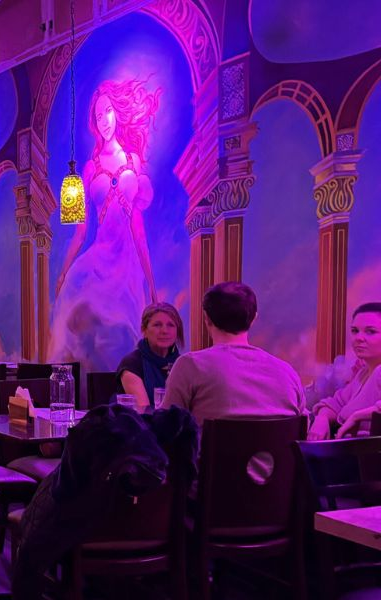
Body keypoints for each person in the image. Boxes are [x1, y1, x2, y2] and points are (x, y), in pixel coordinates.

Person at [49, 78, 162, 372]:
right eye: (98, 116)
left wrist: (151, 283)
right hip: (98, 259)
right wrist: (62, 273)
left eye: (108, 112)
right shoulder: (89, 168)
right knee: (78, 321)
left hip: (126, 263)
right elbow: (81, 231)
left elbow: (138, 229)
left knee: (125, 339)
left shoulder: (135, 162)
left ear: (117, 112)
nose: (103, 121)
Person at [161, 282, 306, 425]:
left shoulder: (190, 366)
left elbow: (166, 429)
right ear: (253, 319)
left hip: (213, 449)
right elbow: (303, 425)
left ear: (206, 318)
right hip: (276, 450)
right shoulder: (287, 374)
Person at [309, 303, 381, 440]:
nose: (359, 338)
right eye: (355, 331)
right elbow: (337, 403)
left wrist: (357, 416)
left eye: (370, 331)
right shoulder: (363, 373)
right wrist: (322, 418)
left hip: (366, 456)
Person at [115, 302, 184, 411]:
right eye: (157, 325)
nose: (164, 331)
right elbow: (144, 412)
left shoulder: (183, 363)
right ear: (144, 330)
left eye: (170, 325)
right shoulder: (131, 364)